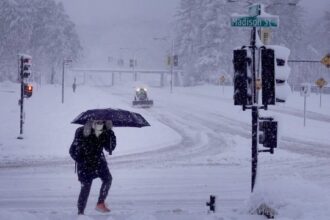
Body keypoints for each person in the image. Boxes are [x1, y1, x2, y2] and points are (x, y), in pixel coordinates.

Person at [69, 120, 116, 215]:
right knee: (85, 188)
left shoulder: (104, 131)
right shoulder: (81, 131)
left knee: (108, 179)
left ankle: (100, 203)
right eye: (97, 121)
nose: (100, 123)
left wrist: (110, 132)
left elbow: (109, 148)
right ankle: (80, 213)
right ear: (91, 120)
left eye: (101, 122)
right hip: (85, 165)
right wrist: (81, 160)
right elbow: (72, 150)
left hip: (99, 163)